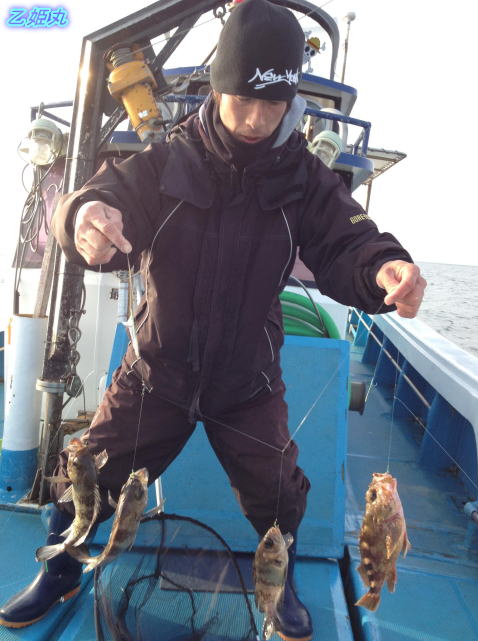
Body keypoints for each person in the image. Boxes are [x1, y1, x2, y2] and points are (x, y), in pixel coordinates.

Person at [0, 0, 426, 637]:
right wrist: (82, 218)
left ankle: (278, 584)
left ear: (290, 102)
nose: (255, 120)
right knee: (90, 471)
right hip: (157, 372)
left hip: (247, 380)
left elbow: (349, 242)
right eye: (242, 100)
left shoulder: (308, 182)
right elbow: (97, 198)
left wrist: (384, 268)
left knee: (277, 492)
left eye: (272, 105)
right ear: (218, 89)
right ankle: (60, 567)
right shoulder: (162, 163)